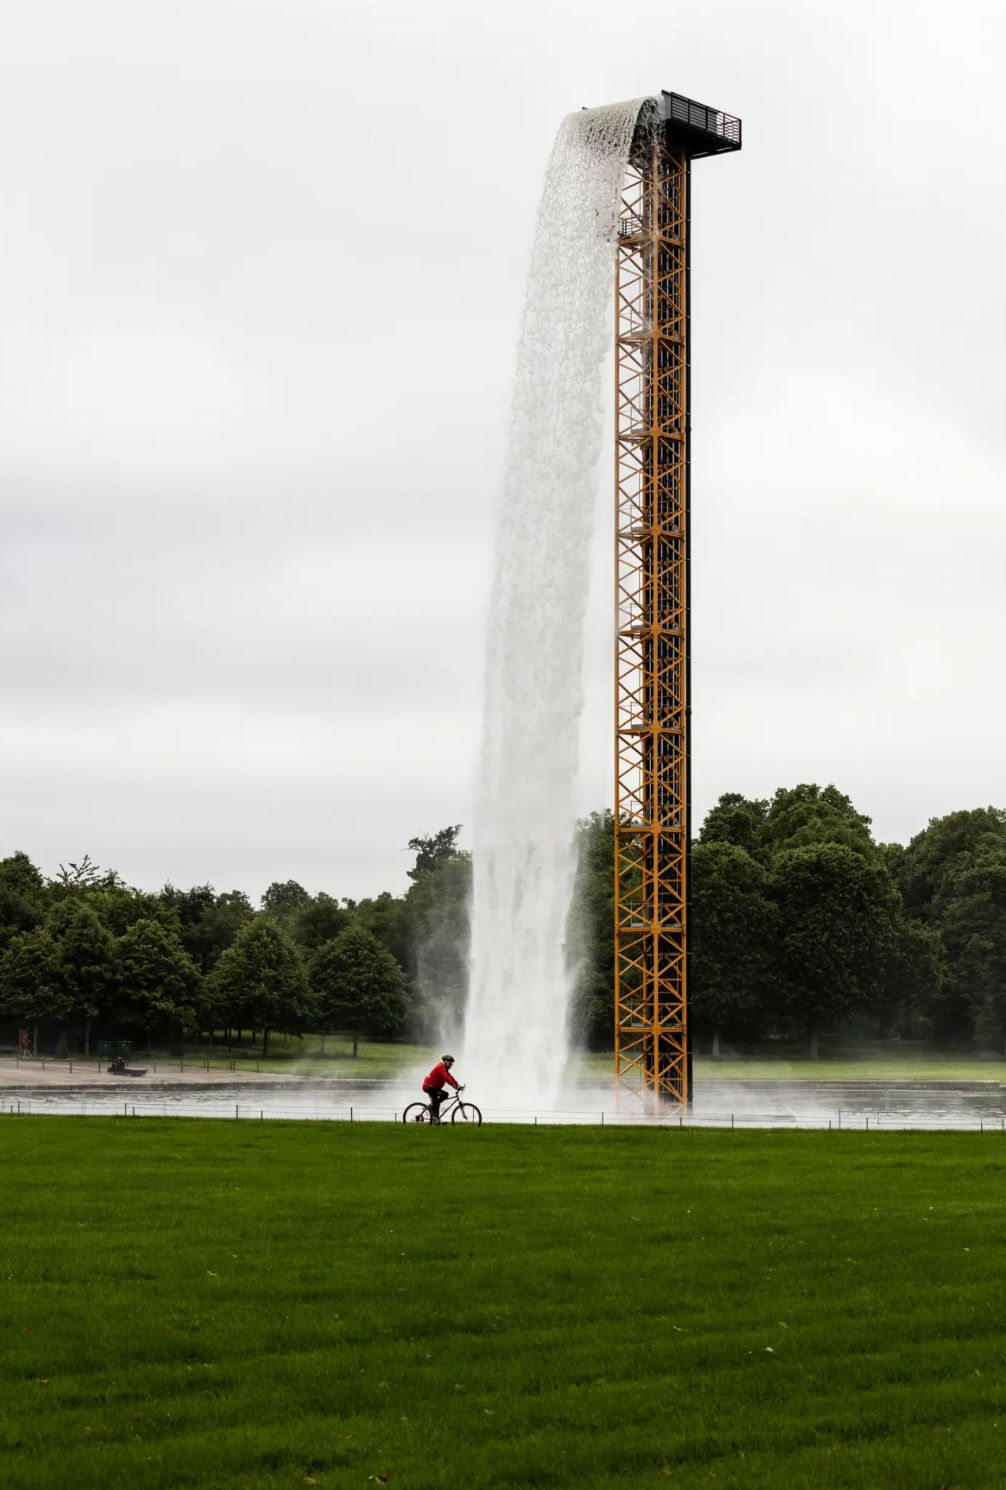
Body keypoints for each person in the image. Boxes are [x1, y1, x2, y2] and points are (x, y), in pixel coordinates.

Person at [422, 1054, 460, 1123]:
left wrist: (457, 1085)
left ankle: (436, 1118)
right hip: (429, 1087)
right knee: (444, 1095)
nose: (451, 1065)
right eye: (450, 1063)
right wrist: (454, 1086)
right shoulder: (441, 1067)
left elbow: (450, 1077)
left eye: (452, 1063)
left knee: (436, 1102)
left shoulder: (444, 1069)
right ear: (446, 1062)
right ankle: (431, 1108)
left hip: (433, 1087)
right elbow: (446, 1078)